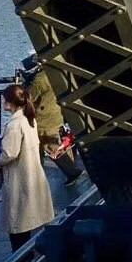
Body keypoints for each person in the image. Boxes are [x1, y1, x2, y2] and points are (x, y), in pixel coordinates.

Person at [0, 85, 54, 251]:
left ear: (11, 102)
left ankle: (19, 260)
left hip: (19, 178)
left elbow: (9, 153)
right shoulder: (29, 119)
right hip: (32, 174)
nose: (3, 102)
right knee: (29, 220)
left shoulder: (14, 125)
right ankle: (26, 257)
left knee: (17, 223)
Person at [21, 56, 82, 184]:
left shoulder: (39, 80)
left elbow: (29, 98)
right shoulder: (53, 73)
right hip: (55, 115)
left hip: (44, 120)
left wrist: (25, 85)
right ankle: (70, 170)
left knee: (48, 147)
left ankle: (71, 172)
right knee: (53, 145)